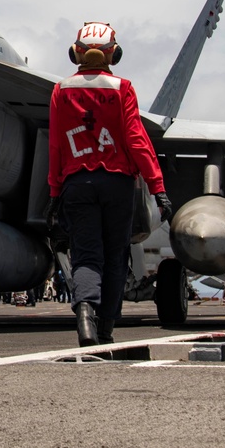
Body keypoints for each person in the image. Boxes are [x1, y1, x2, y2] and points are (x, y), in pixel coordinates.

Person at [48, 21, 173, 346]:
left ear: (76, 52)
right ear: (113, 54)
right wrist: (157, 187)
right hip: (118, 186)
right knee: (116, 256)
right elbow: (136, 140)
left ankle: (85, 318)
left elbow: (57, 146)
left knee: (86, 256)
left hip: (77, 184)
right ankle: (105, 329)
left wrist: (54, 192)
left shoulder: (61, 90)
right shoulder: (122, 89)